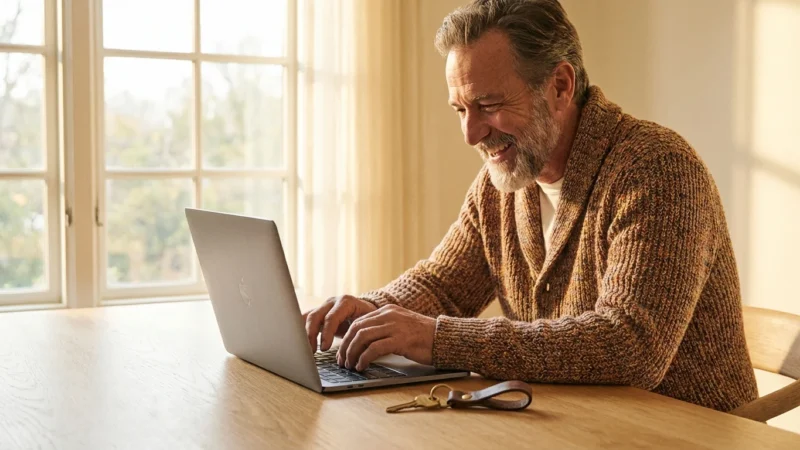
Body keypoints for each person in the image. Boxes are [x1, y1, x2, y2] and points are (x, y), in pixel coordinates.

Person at [302, 0, 758, 412]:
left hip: (684, 435)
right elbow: (442, 287)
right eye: (461, 110)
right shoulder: (502, 185)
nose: (471, 134)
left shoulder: (657, 169)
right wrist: (367, 312)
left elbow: (629, 346)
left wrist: (438, 338)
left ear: (560, 86)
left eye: (488, 104)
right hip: (576, 429)